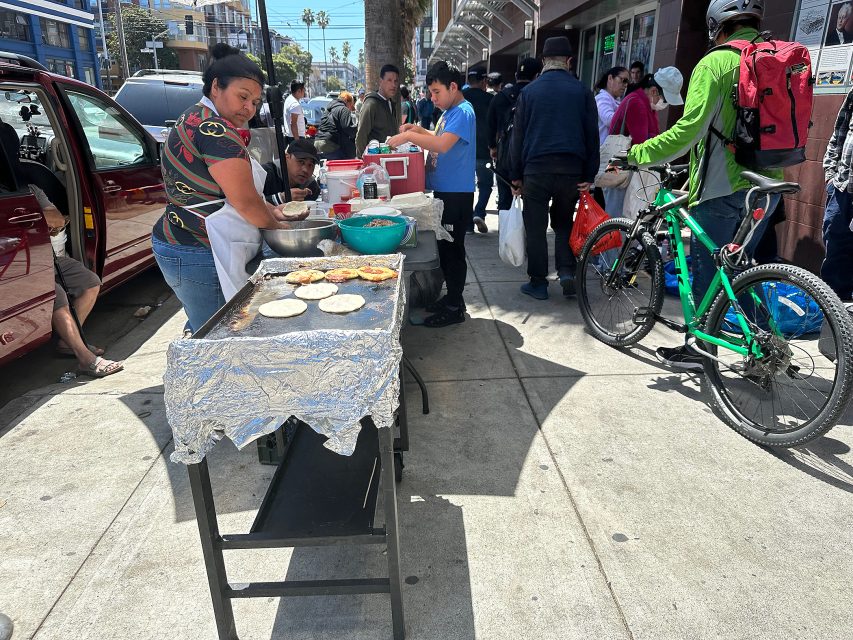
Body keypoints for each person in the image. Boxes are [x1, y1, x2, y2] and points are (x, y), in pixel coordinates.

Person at [625, 0, 781, 370]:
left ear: (716, 27)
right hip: (768, 185)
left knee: (708, 276)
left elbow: (688, 131)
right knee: (741, 273)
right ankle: (769, 349)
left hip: (723, 189)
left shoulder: (716, 62)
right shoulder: (772, 54)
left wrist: (639, 153)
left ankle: (698, 350)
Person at [151, 44, 308, 334]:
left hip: (184, 242)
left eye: (256, 101)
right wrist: (281, 231)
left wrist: (273, 210)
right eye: (242, 97)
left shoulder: (197, 116)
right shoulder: (214, 130)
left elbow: (222, 193)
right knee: (217, 336)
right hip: (196, 247)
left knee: (207, 325)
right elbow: (245, 202)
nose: (249, 108)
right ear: (215, 87)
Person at [509, 36, 598, 301]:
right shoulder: (582, 92)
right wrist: (589, 175)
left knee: (536, 227)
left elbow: (518, 137)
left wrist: (515, 175)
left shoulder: (529, 92)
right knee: (563, 223)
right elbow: (592, 136)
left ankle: (538, 283)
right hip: (571, 171)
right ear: (569, 62)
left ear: (544, 62)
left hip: (536, 170)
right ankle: (567, 272)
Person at [388, 61, 476, 328]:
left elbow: (441, 144)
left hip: (456, 194)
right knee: (445, 248)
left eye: (437, 92)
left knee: (453, 250)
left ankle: (454, 307)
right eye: (431, 93)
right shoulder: (449, 112)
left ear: (453, 87)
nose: (433, 98)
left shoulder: (463, 111)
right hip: (445, 191)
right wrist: (416, 130)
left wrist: (409, 139)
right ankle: (453, 299)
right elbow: (437, 136)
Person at [37, 186, 123, 377]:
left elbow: (57, 220)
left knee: (90, 282)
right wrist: (40, 220)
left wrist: (37, 218)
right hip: (26, 262)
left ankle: (67, 342)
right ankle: (86, 359)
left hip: (48, 257)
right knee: (57, 294)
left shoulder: (32, 189)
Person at [604, 68, 684, 216]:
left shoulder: (646, 103)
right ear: (654, 91)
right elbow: (641, 143)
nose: (664, 104)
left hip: (625, 169)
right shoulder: (637, 103)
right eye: (665, 99)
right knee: (618, 222)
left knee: (625, 220)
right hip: (621, 170)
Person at [487, 57, 542, 213]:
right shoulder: (537, 97)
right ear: (537, 76)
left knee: (505, 200)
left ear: (516, 75)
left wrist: (492, 146)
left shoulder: (500, 97)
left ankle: (506, 235)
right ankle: (528, 235)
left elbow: (490, 124)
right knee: (532, 204)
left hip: (505, 155)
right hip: (530, 157)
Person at [821, 88, 853, 301]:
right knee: (834, 242)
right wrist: (830, 174)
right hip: (842, 188)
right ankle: (833, 307)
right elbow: (838, 135)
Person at [462, 67, 494, 233]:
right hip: (484, 149)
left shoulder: (461, 98)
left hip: (464, 150)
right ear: (484, 81)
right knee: (486, 184)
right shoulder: (490, 99)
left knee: (467, 187)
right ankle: (480, 211)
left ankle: (467, 224)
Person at [355, 64, 400, 156]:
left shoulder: (391, 103)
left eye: (396, 81)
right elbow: (361, 136)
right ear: (380, 81)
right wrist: (363, 160)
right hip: (374, 161)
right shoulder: (371, 104)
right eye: (389, 80)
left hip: (390, 158)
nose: (393, 85)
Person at [314, 91, 357, 160]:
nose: (350, 109)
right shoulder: (343, 109)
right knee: (340, 167)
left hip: (318, 143)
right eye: (351, 105)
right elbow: (347, 128)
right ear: (346, 101)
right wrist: (357, 128)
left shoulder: (328, 109)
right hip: (330, 144)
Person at [594, 66, 629, 145]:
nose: (625, 85)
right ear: (610, 78)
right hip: (602, 150)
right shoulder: (602, 98)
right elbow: (610, 120)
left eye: (627, 82)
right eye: (623, 80)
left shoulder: (615, 100)